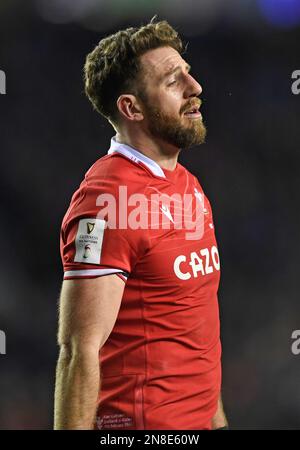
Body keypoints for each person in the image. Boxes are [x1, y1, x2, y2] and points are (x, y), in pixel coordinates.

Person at [54, 17, 228, 430]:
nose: (195, 87)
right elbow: (79, 351)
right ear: (131, 108)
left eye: (188, 72)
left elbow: (191, 325)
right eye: (173, 81)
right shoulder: (106, 202)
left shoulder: (188, 184)